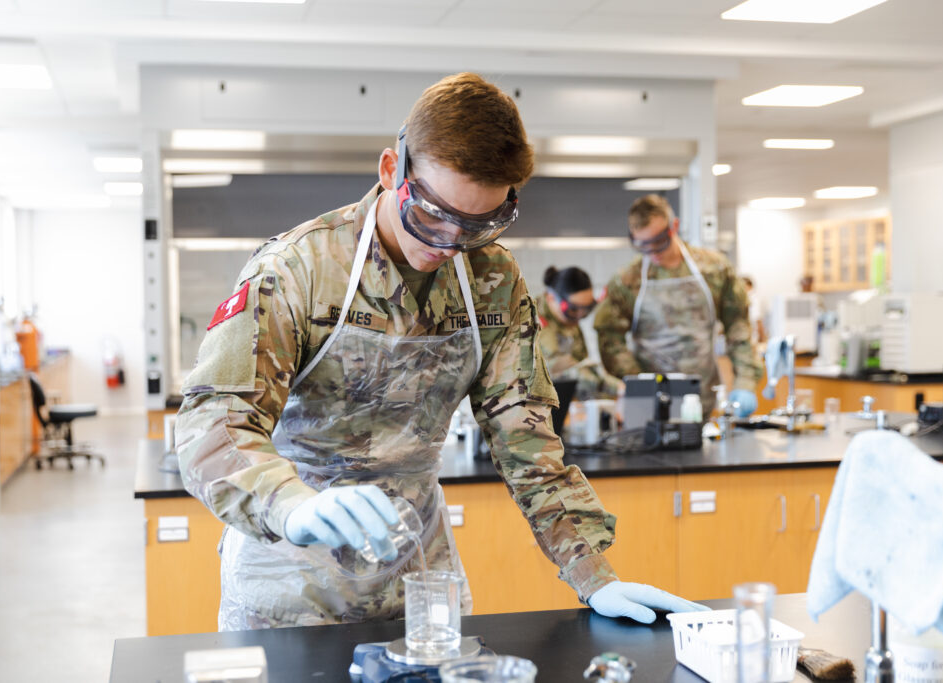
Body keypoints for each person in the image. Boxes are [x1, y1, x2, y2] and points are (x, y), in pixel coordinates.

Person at [175, 73, 704, 631]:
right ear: (390, 172)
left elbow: (526, 442)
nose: (448, 243)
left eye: (478, 225)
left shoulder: (491, 279)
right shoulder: (296, 271)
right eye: (431, 214)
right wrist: (293, 505)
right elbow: (212, 426)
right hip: (287, 585)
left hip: (420, 583)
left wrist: (595, 575)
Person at [594, 194, 762, 417]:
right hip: (649, 402)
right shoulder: (627, 280)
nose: (652, 253)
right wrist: (637, 383)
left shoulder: (715, 269)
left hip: (702, 395)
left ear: (674, 226)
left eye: (658, 242)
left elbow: (738, 326)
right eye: (642, 246)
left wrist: (745, 382)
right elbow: (610, 338)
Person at [537, 266, 624, 401]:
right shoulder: (535, 321)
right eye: (573, 309)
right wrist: (616, 387)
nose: (580, 316)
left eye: (587, 309)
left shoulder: (568, 319)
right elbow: (560, 370)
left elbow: (581, 361)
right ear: (551, 298)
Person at [742, 275, 766, 347]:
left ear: (748, 285)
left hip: (752, 339)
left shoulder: (753, 299)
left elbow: (758, 320)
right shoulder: (749, 298)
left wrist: (762, 338)